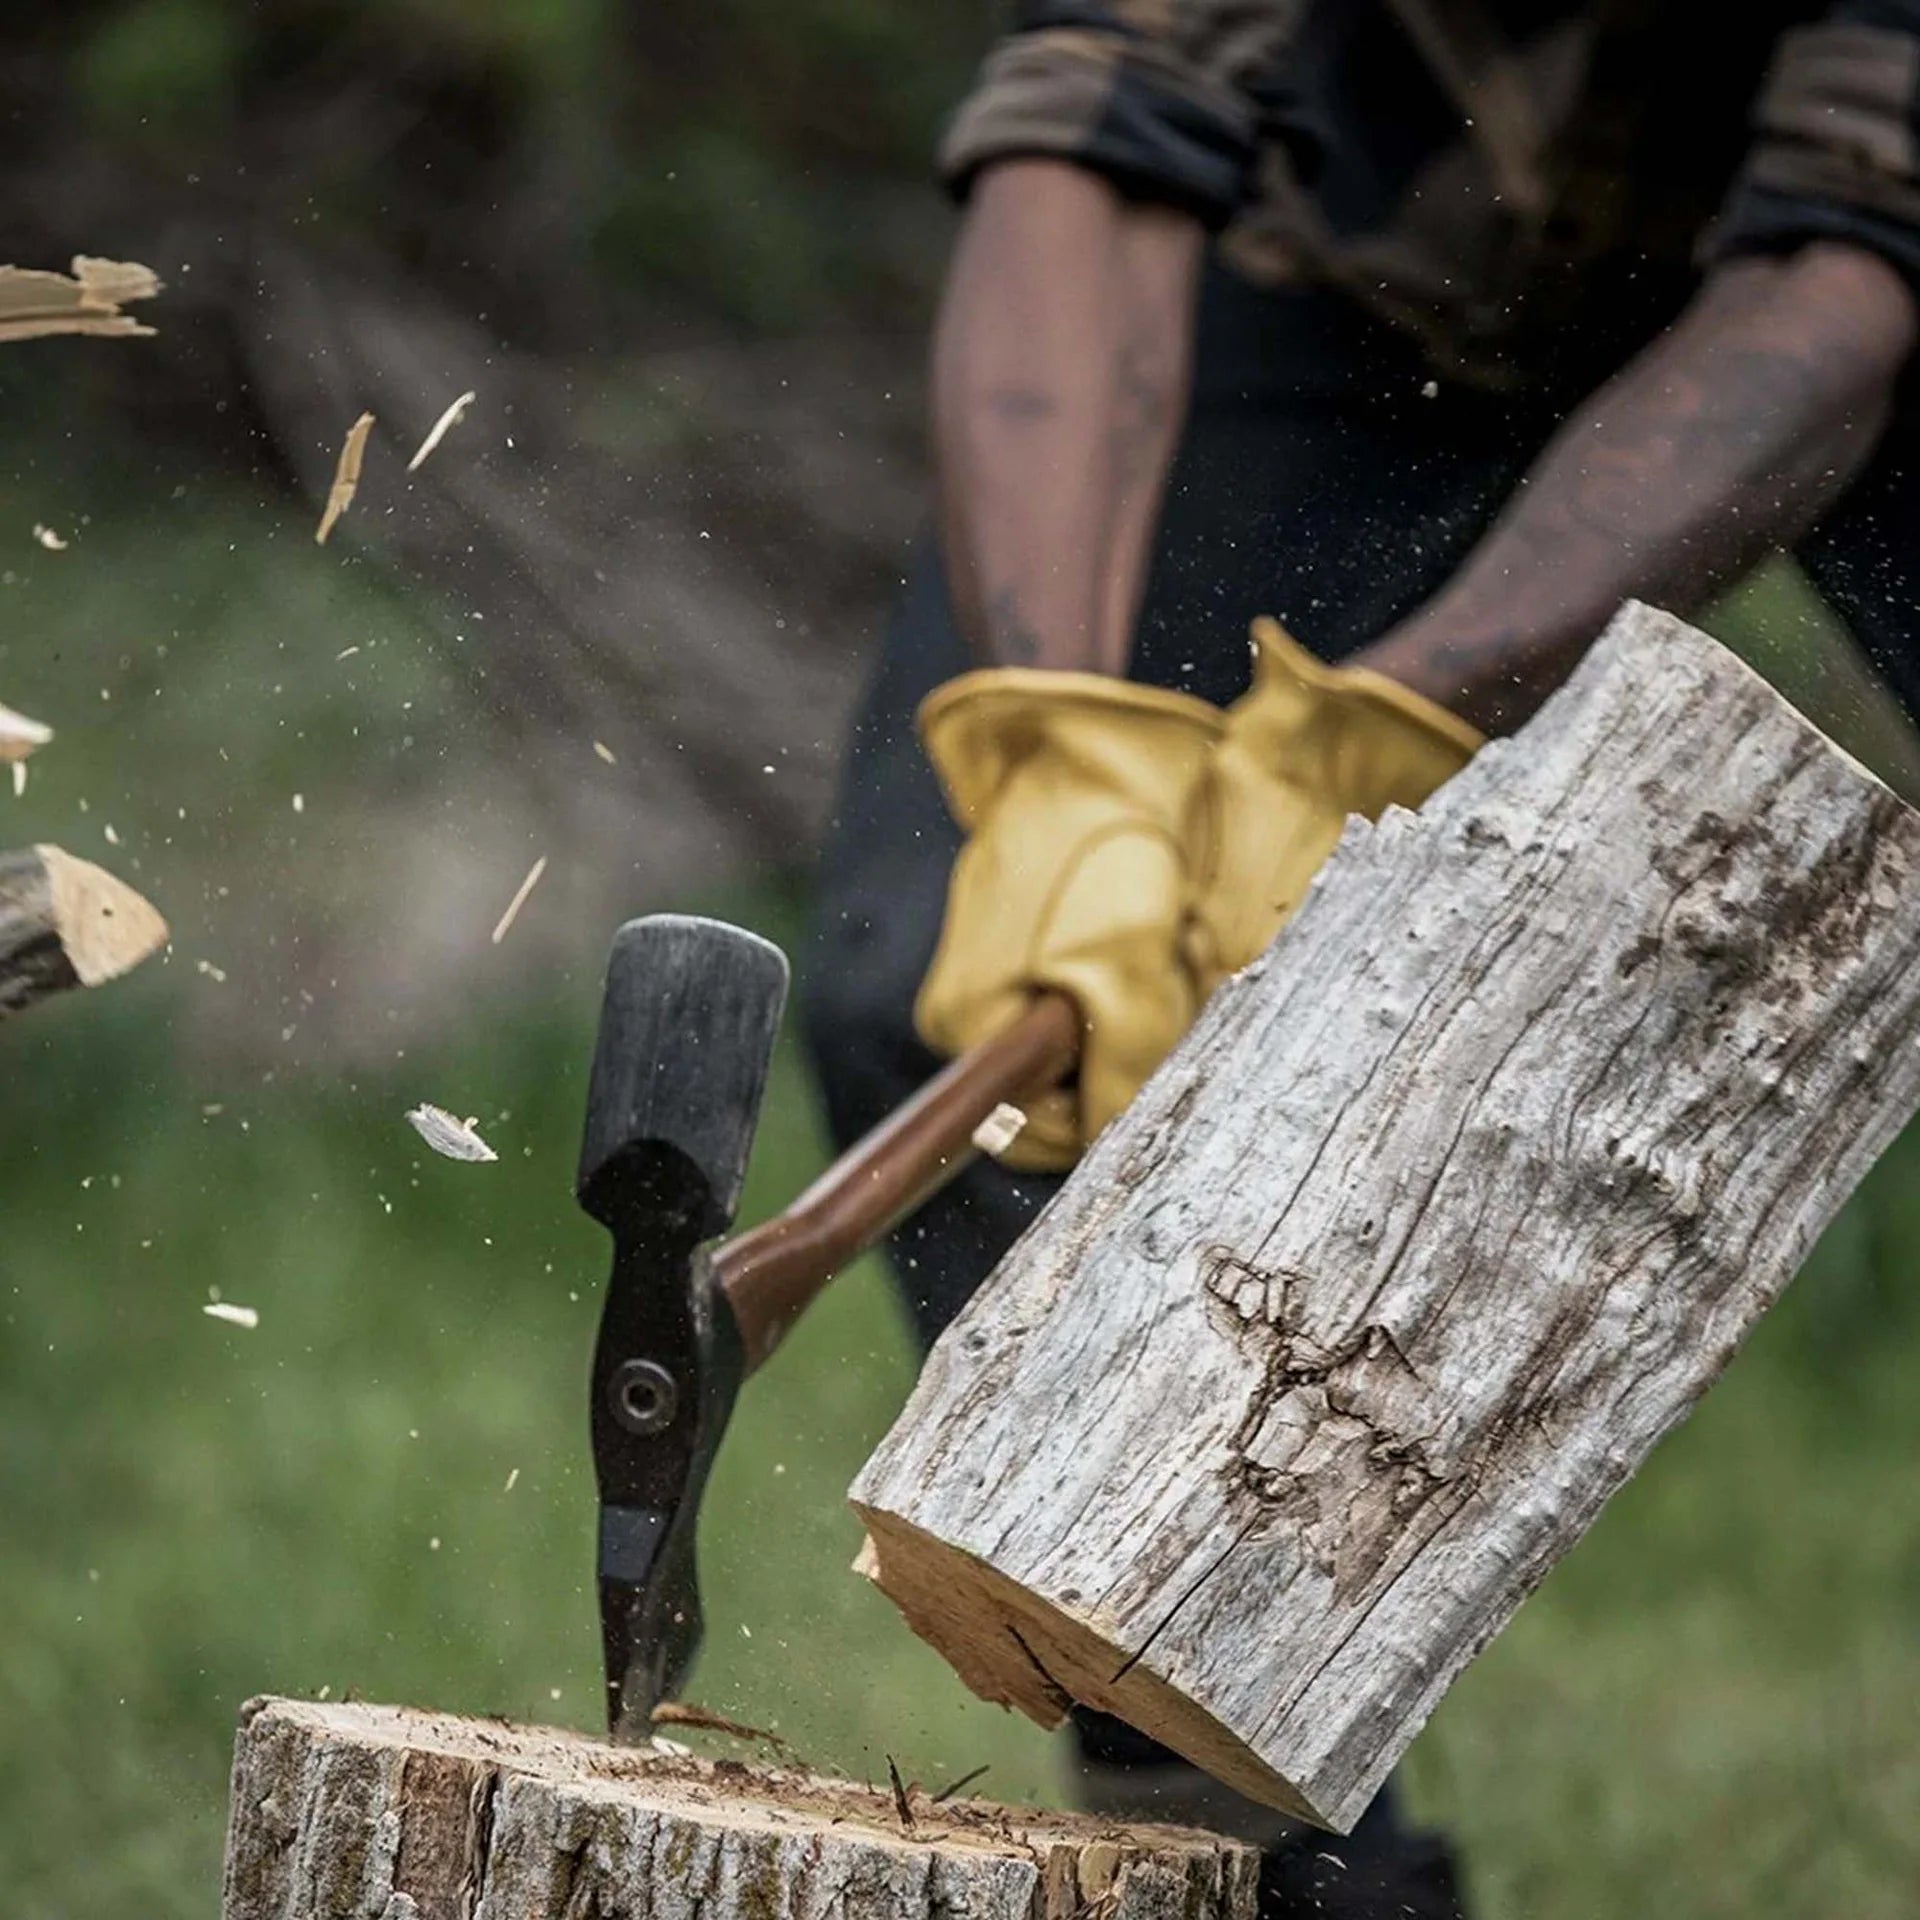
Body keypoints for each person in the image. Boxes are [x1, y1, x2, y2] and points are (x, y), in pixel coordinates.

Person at [803, 5, 1920, 1913]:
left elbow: (1851, 247)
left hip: (1866, 284)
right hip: (1373, 243)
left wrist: (1392, 716)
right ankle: (1262, 1874)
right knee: (930, 977)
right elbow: (1095, 114)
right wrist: (1070, 750)